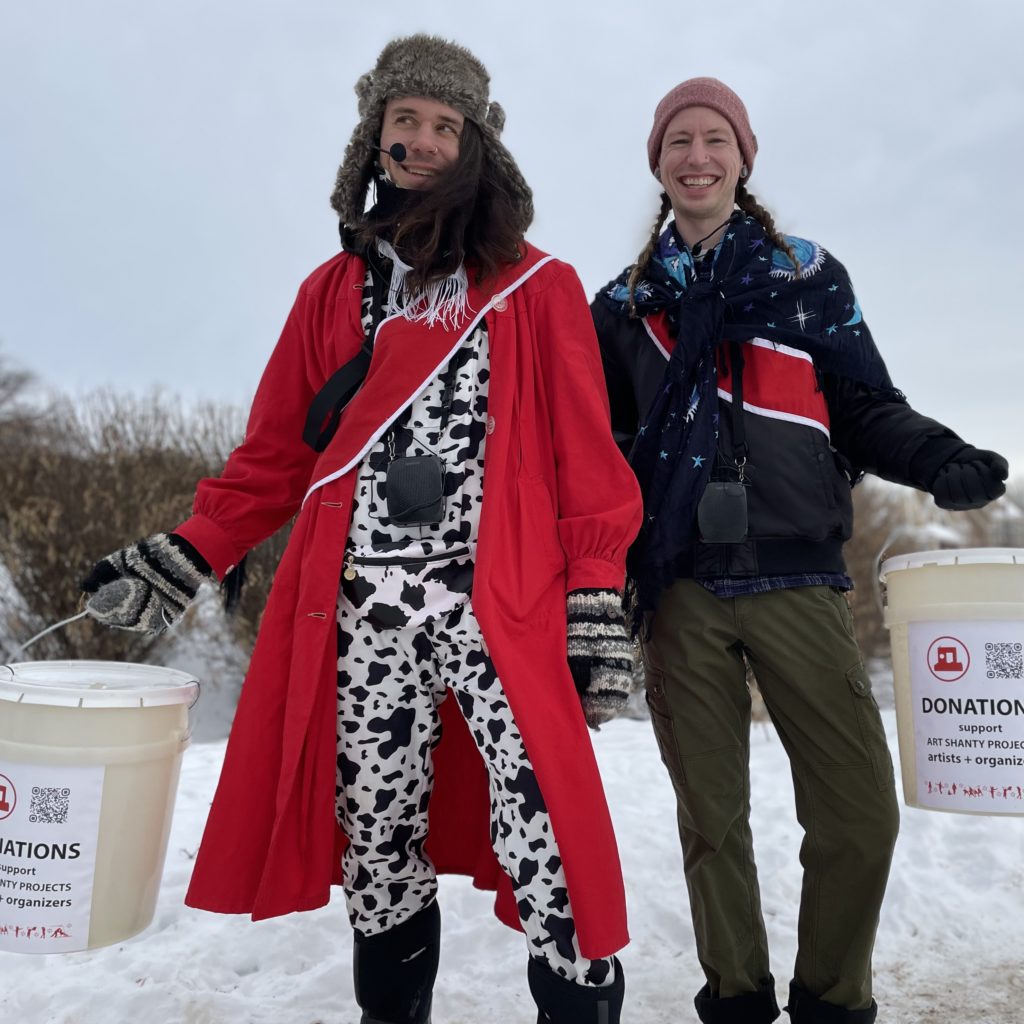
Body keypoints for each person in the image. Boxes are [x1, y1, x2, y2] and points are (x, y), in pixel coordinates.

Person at [82, 35, 641, 1024]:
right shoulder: (331, 291)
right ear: (374, 139)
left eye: (443, 124)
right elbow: (271, 460)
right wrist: (186, 550)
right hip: (360, 616)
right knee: (378, 846)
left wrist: (594, 594)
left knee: (548, 833)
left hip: (498, 604)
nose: (422, 140)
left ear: (475, 144)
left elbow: (585, 458)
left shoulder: (533, 284)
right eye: (404, 122)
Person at [591, 77, 1009, 1024]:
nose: (696, 156)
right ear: (657, 164)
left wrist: (939, 459)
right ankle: (735, 999)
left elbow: (864, 407)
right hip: (680, 587)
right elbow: (592, 450)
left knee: (860, 814)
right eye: (678, 142)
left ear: (743, 156)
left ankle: (830, 1003)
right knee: (712, 825)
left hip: (800, 576)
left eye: (714, 139)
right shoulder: (621, 306)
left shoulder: (807, 275)